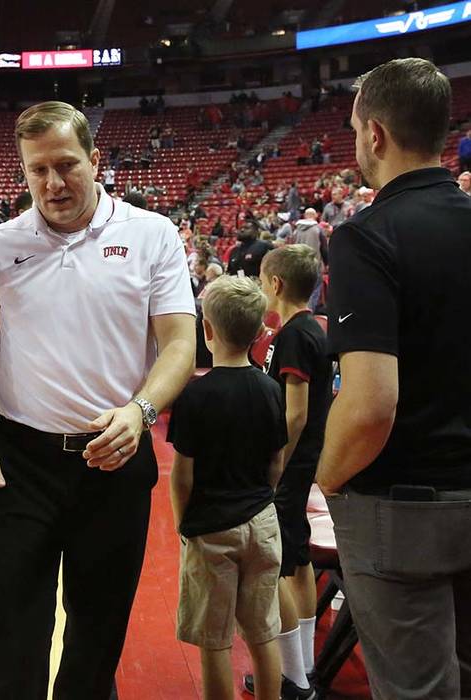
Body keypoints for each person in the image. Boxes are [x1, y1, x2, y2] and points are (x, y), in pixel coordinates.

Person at [0, 101, 195, 697]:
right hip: (20, 462)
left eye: (66, 165)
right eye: (37, 170)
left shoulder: (151, 235)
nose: (53, 183)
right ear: (23, 171)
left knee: (98, 631)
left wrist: (140, 412)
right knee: (15, 630)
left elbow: (181, 344)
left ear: (94, 159)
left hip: (114, 456)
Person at [318, 57, 471, 700]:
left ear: (373, 134)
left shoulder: (366, 237)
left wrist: (323, 476)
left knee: (417, 690)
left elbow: (373, 404)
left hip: (402, 507)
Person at [168, 275, 286, 700]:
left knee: (214, 639)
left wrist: (184, 525)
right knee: (262, 631)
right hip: (262, 521)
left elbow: (183, 474)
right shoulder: (272, 389)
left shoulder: (195, 397)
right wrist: (262, 498)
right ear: (258, 334)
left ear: (207, 331)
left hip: (213, 529)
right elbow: (276, 461)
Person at [242, 245, 332, 699]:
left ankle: (293, 680)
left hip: (292, 465)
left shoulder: (295, 335)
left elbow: (295, 415)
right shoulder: (312, 328)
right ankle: (306, 667)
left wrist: (274, 466)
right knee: (298, 562)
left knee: (276, 568)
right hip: (306, 463)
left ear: (275, 284)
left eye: (261, 278)